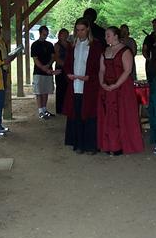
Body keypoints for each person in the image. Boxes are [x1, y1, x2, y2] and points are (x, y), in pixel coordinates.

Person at [98, 26, 144, 155]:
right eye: (106, 35)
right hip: (107, 88)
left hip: (122, 88)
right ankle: (109, 144)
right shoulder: (105, 51)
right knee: (109, 116)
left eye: (108, 35)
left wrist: (116, 85)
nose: (106, 38)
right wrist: (102, 83)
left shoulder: (125, 51)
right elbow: (101, 70)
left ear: (115, 36)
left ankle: (121, 145)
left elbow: (127, 71)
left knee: (121, 116)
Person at [63, 18, 103, 154]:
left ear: (88, 29)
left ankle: (91, 145)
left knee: (90, 115)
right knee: (77, 115)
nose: (80, 33)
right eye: (78, 30)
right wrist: (68, 73)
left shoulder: (95, 45)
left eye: (82, 30)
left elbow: (99, 66)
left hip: (90, 87)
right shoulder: (73, 45)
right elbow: (68, 63)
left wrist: (90, 77)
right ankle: (79, 144)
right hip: (75, 85)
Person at [31, 25, 59, 119]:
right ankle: (40, 111)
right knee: (39, 92)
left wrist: (48, 65)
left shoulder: (50, 44)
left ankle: (44, 109)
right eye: (44, 34)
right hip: (38, 72)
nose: (45, 36)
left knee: (45, 91)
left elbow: (53, 57)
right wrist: (44, 68)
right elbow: (35, 59)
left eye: (46, 34)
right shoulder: (35, 45)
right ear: (40, 33)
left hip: (48, 70)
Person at [54, 28, 71, 115]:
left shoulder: (69, 44)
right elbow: (56, 57)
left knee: (67, 88)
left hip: (68, 68)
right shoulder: (57, 45)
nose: (65, 36)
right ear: (59, 35)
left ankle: (66, 107)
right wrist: (64, 65)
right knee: (60, 88)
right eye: (63, 34)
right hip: (60, 68)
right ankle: (59, 109)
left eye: (66, 34)